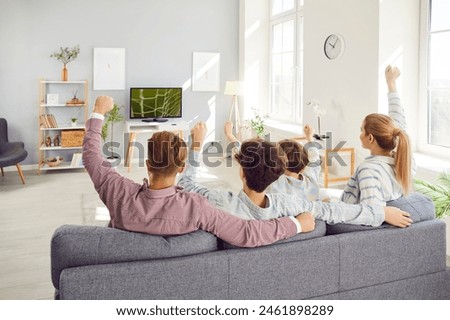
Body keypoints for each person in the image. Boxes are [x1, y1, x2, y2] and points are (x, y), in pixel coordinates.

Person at [82, 96, 315, 248]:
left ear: (147, 162)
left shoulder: (118, 192)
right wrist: (296, 225)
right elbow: (247, 232)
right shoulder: (197, 206)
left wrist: (98, 111)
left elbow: (91, 156)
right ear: (181, 167)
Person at [178, 123, 412, 228]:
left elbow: (186, 183)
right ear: (276, 171)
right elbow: (333, 210)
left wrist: (196, 144)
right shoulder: (293, 206)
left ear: (241, 171)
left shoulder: (220, 202)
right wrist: (379, 212)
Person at [340, 65, 413, 206]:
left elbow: (371, 213)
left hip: (345, 215)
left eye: (361, 130)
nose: (360, 135)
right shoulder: (405, 162)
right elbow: (398, 121)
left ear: (370, 138)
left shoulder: (368, 170)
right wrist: (391, 83)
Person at [225, 121, 321, 201]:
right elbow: (314, 158)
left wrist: (230, 135)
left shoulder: (275, 183)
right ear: (304, 166)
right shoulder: (311, 179)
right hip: (314, 219)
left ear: (278, 164)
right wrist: (309, 137)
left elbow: (249, 155)